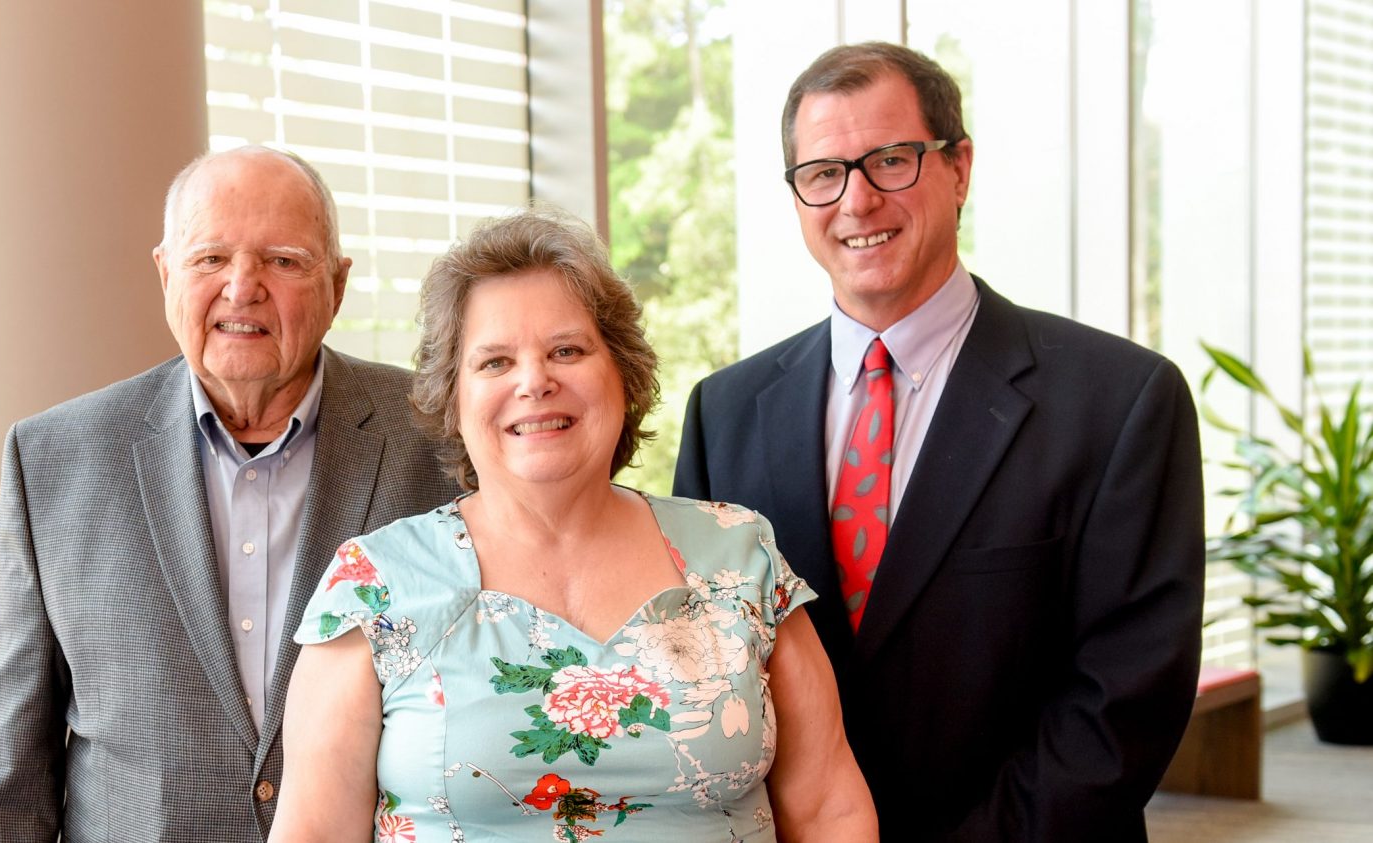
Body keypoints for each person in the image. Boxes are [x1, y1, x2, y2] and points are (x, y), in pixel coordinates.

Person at [674, 42, 1205, 841]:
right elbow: (700, 671)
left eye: (891, 160)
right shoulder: (726, 411)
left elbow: (1123, 699)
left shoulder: (1121, 400)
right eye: (823, 173)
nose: (856, 201)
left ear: (959, 168)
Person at [267, 208, 877, 842]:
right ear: (453, 396)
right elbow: (313, 832)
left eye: (567, 350)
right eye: (495, 362)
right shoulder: (374, 587)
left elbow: (831, 810)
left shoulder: (740, 556)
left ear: (623, 374)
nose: (535, 382)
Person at [0, 146, 455, 841]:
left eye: (283, 260)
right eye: (210, 258)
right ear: (167, 273)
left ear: (337, 285)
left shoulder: (439, 440)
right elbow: (11, 764)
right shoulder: (53, 459)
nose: (243, 286)